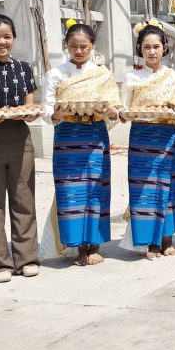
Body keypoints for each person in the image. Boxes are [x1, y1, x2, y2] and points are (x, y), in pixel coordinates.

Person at [43, 21, 122, 266]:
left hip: (95, 135)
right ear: (66, 46)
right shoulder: (55, 75)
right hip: (67, 137)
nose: (78, 51)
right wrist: (57, 113)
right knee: (70, 191)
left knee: (96, 189)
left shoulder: (102, 74)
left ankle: (95, 245)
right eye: (73, 46)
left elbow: (116, 110)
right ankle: (78, 247)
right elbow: (46, 111)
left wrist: (108, 110)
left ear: (92, 46)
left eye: (84, 47)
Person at [118, 20, 175, 259]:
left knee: (170, 187)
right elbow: (122, 110)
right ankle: (150, 242)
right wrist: (125, 114)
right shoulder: (131, 78)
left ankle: (167, 238)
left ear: (165, 48)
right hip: (142, 140)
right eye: (146, 47)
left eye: (156, 47)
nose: (151, 52)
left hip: (168, 138)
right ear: (139, 49)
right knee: (145, 190)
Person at [0, 14, 41, 282]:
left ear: (14, 37)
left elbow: (29, 104)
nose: (2, 41)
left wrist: (31, 113)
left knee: (24, 198)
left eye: (7, 36)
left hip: (19, 137)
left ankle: (26, 258)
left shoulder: (23, 68)